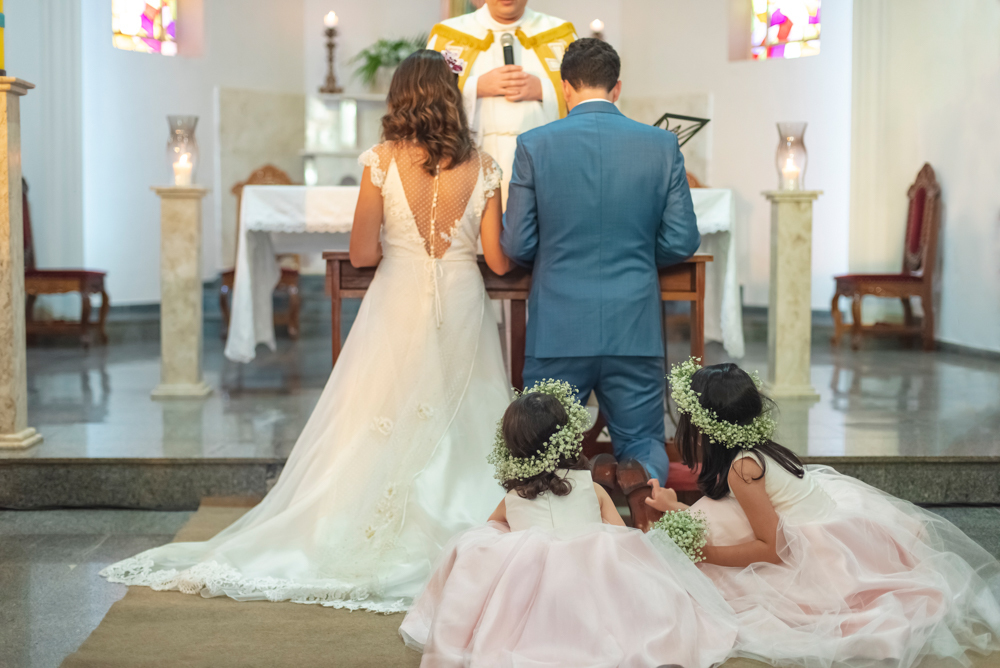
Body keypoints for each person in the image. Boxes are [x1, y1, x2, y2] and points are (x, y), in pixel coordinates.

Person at [101, 51, 516, 613]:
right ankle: (468, 517)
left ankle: (365, 522)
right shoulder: (485, 166)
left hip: (397, 297)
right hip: (464, 301)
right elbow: (496, 261)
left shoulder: (381, 160)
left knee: (379, 411)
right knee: (464, 410)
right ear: (452, 96)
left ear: (401, 97)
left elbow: (363, 251)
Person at [647, 359, 1000, 668]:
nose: (685, 426)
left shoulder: (742, 469)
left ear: (707, 428)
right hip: (824, 517)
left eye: (688, 418)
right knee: (708, 517)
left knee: (711, 577)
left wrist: (705, 554)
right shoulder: (748, 454)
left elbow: (773, 548)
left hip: (817, 551)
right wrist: (673, 506)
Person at [501, 38, 701, 528]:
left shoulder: (534, 145)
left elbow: (517, 244)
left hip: (558, 324)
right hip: (632, 320)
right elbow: (682, 239)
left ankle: (557, 534)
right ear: (617, 88)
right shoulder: (661, 145)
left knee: (542, 445)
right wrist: (631, 255)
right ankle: (640, 505)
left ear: (566, 88)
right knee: (642, 440)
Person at [399, 381, 738, 668]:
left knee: (480, 543)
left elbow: (493, 528)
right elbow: (623, 540)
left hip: (525, 589)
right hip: (590, 581)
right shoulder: (590, 489)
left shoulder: (514, 497)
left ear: (513, 449)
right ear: (567, 438)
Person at [428, 0, 576, 204]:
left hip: (542, 162)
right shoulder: (451, 35)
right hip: (472, 158)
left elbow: (586, 95)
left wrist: (543, 89)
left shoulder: (558, 34)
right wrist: (477, 86)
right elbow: (427, 98)